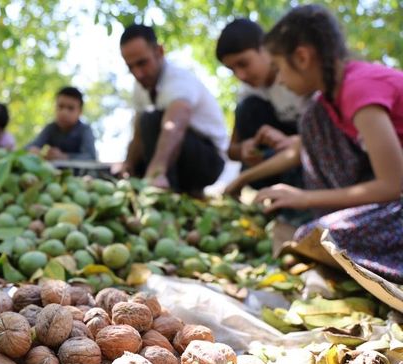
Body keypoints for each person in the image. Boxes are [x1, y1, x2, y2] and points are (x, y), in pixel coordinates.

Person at [243, 5, 403, 282]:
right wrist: (243, 180)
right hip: (390, 200)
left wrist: (305, 198)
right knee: (312, 118)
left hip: (395, 199)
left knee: (320, 237)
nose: (279, 79)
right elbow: (299, 147)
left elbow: (392, 185)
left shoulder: (359, 88)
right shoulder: (327, 102)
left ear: (302, 57)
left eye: (279, 68)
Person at [119, 24, 228, 197]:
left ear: (159, 52)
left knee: (151, 119)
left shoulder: (178, 80)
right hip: (180, 157)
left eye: (142, 63)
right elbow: (138, 135)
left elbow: (174, 126)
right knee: (144, 126)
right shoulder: (140, 87)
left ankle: (163, 193)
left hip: (209, 161)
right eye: (130, 67)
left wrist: (156, 170)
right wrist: (128, 164)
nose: (137, 73)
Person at [216, 19, 308, 189]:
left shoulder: (300, 78)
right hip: (281, 155)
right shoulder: (248, 92)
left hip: (311, 153)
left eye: (243, 63)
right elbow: (232, 149)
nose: (240, 75)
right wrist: (245, 149)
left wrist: (296, 141)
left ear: (265, 49)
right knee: (247, 108)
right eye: (232, 70)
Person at [26, 86, 96, 161]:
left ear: (80, 112)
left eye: (70, 108)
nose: (64, 112)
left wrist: (64, 157)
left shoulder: (85, 130)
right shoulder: (51, 128)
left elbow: (90, 157)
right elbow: (32, 146)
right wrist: (33, 151)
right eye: (60, 106)